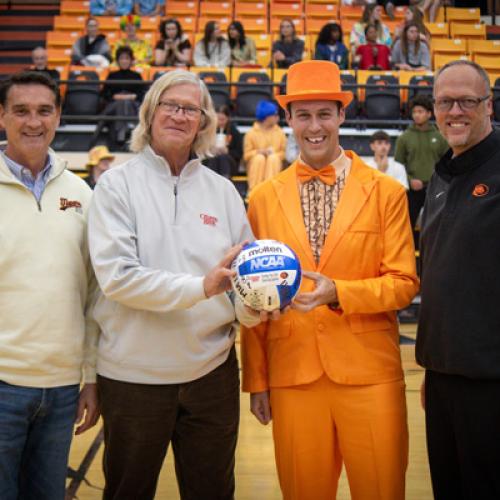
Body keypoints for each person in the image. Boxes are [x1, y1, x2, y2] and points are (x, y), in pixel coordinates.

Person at [240, 60, 419, 500]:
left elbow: (403, 282)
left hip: (369, 374)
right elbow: (251, 292)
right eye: (303, 115)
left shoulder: (386, 192)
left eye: (324, 114)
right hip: (293, 373)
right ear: (289, 120)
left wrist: (340, 292)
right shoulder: (261, 198)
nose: (314, 126)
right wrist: (257, 380)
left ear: (342, 115)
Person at [87, 69, 255, 500]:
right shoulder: (115, 185)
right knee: (129, 491)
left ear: (204, 122)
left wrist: (259, 302)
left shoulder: (223, 191)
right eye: (171, 105)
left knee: (213, 491)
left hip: (212, 375)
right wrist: (202, 287)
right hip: (133, 377)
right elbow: (119, 280)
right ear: (150, 112)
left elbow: (243, 284)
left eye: (192, 109)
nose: (181, 116)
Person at [0, 71, 99, 500]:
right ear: (2, 116)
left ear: (58, 117)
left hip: (62, 389)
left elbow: (95, 293)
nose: (33, 122)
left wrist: (91, 376)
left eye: (44, 111)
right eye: (20, 111)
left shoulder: (82, 193)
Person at [416, 60, 499, 499]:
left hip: (490, 381)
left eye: (468, 101)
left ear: (489, 105)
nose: (456, 111)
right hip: (444, 375)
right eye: (445, 101)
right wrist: (435, 365)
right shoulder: (443, 174)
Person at [394, 94, 448, 244]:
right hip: (413, 189)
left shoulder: (440, 137)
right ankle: (407, 256)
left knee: (436, 224)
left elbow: (447, 163)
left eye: (420, 111)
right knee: (407, 225)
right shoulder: (404, 138)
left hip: (435, 188)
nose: (417, 115)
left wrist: (438, 180)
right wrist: (411, 180)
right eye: (414, 112)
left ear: (429, 114)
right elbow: (398, 165)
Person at [95, 45, 145, 147]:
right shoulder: (112, 75)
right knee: (121, 103)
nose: (124, 61)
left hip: (132, 105)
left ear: (131, 60)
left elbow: (142, 94)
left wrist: (129, 97)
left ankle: (120, 135)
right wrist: (115, 97)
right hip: (114, 105)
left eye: (127, 58)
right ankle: (125, 132)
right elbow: (104, 93)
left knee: (125, 103)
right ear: (117, 60)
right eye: (121, 58)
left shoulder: (137, 76)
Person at [244, 100, 286, 191]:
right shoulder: (251, 133)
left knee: (273, 158)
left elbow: (284, 153)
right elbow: (246, 156)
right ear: (267, 117)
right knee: (259, 158)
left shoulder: (280, 133)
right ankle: (254, 191)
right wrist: (259, 152)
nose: (277, 117)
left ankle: (272, 190)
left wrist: (273, 154)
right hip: (256, 165)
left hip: (274, 164)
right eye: (275, 115)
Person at [203, 104, 243, 178]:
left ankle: (225, 180)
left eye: (222, 119)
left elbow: (239, 153)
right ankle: (210, 181)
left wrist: (228, 151)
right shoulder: (208, 131)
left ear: (227, 119)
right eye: (218, 119)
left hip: (229, 162)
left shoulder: (234, 132)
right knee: (214, 158)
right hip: (211, 160)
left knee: (223, 157)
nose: (220, 122)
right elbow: (202, 150)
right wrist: (211, 150)